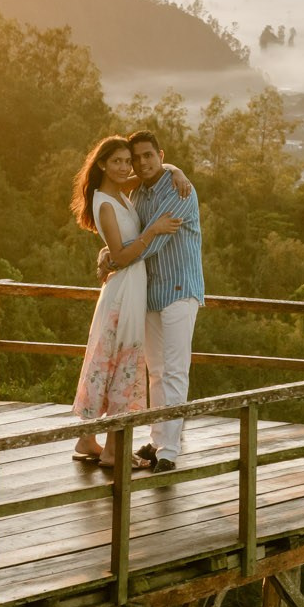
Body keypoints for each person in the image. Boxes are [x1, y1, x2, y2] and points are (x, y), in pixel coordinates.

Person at [70, 135, 183, 464]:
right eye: (117, 161)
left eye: (127, 161)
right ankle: (114, 451)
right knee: (122, 363)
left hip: (130, 286)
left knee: (107, 361)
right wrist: (153, 230)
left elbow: (156, 171)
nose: (126, 167)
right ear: (103, 163)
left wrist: (178, 173)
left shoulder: (119, 191)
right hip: (124, 291)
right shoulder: (104, 202)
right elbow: (121, 255)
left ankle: (87, 440)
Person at [125, 130, 202, 472]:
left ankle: (169, 450)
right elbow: (135, 235)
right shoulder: (138, 193)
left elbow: (151, 244)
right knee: (155, 372)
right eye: (136, 157)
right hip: (151, 294)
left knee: (174, 371)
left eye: (149, 156)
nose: (143, 162)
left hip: (180, 291)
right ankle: (158, 439)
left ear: (160, 154)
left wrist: (114, 259)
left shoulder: (180, 189)